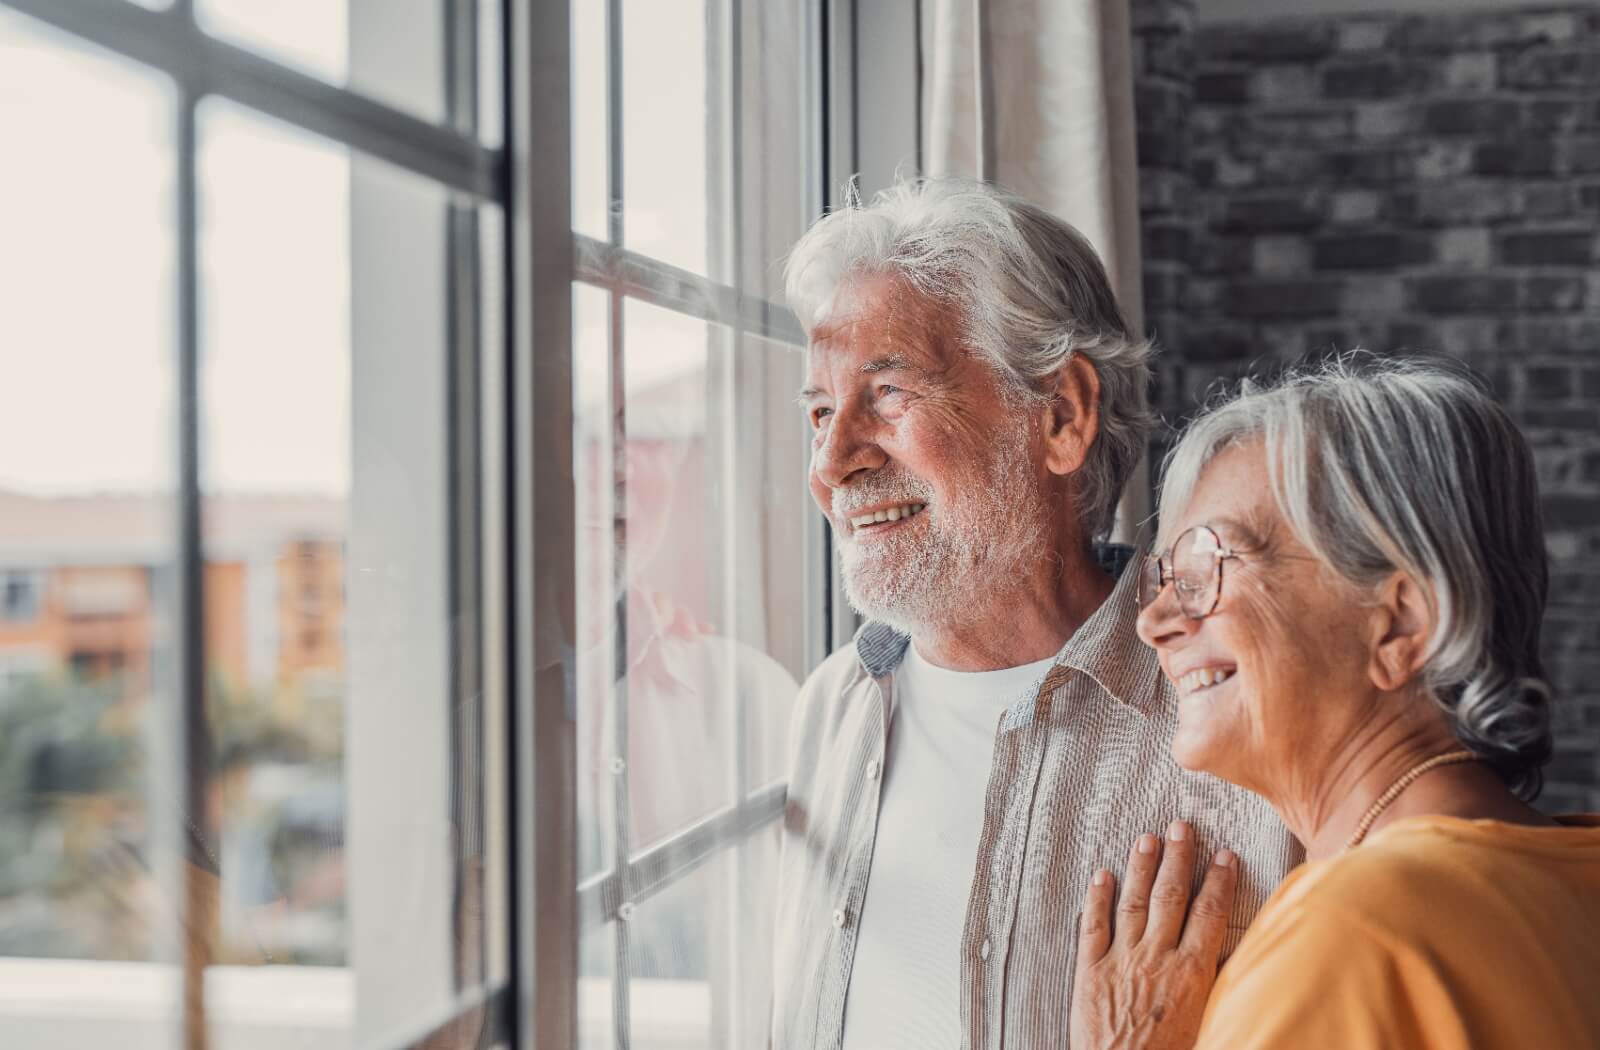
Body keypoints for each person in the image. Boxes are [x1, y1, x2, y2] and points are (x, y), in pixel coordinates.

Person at [770, 176, 1300, 1050]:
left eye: (888, 394)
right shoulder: (829, 709)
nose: (832, 464)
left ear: (1060, 415)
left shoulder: (1244, 729)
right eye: (821, 411)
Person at [1069, 356, 1600, 1049]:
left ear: (1401, 624)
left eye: (1207, 569)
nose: (1155, 621)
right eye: (1165, 578)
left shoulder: (1352, 935)